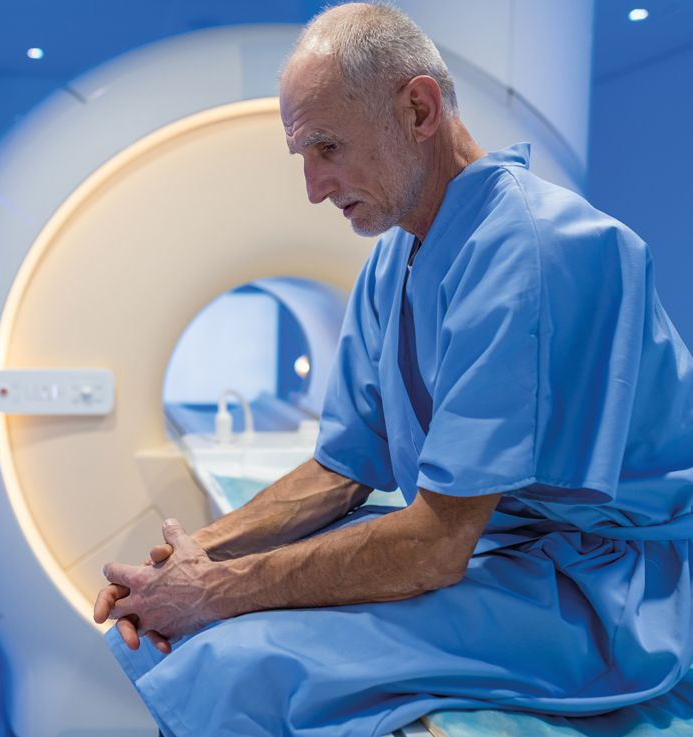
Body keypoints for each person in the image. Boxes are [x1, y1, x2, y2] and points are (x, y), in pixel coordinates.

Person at [94, 3, 693, 735]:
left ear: (418, 108)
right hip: (503, 547)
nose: (314, 186)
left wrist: (217, 591)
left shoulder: (535, 250)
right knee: (200, 630)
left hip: (608, 584)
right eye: (303, 157)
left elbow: (437, 542)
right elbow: (343, 467)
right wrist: (189, 562)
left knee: (246, 655)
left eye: (327, 148)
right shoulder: (395, 258)